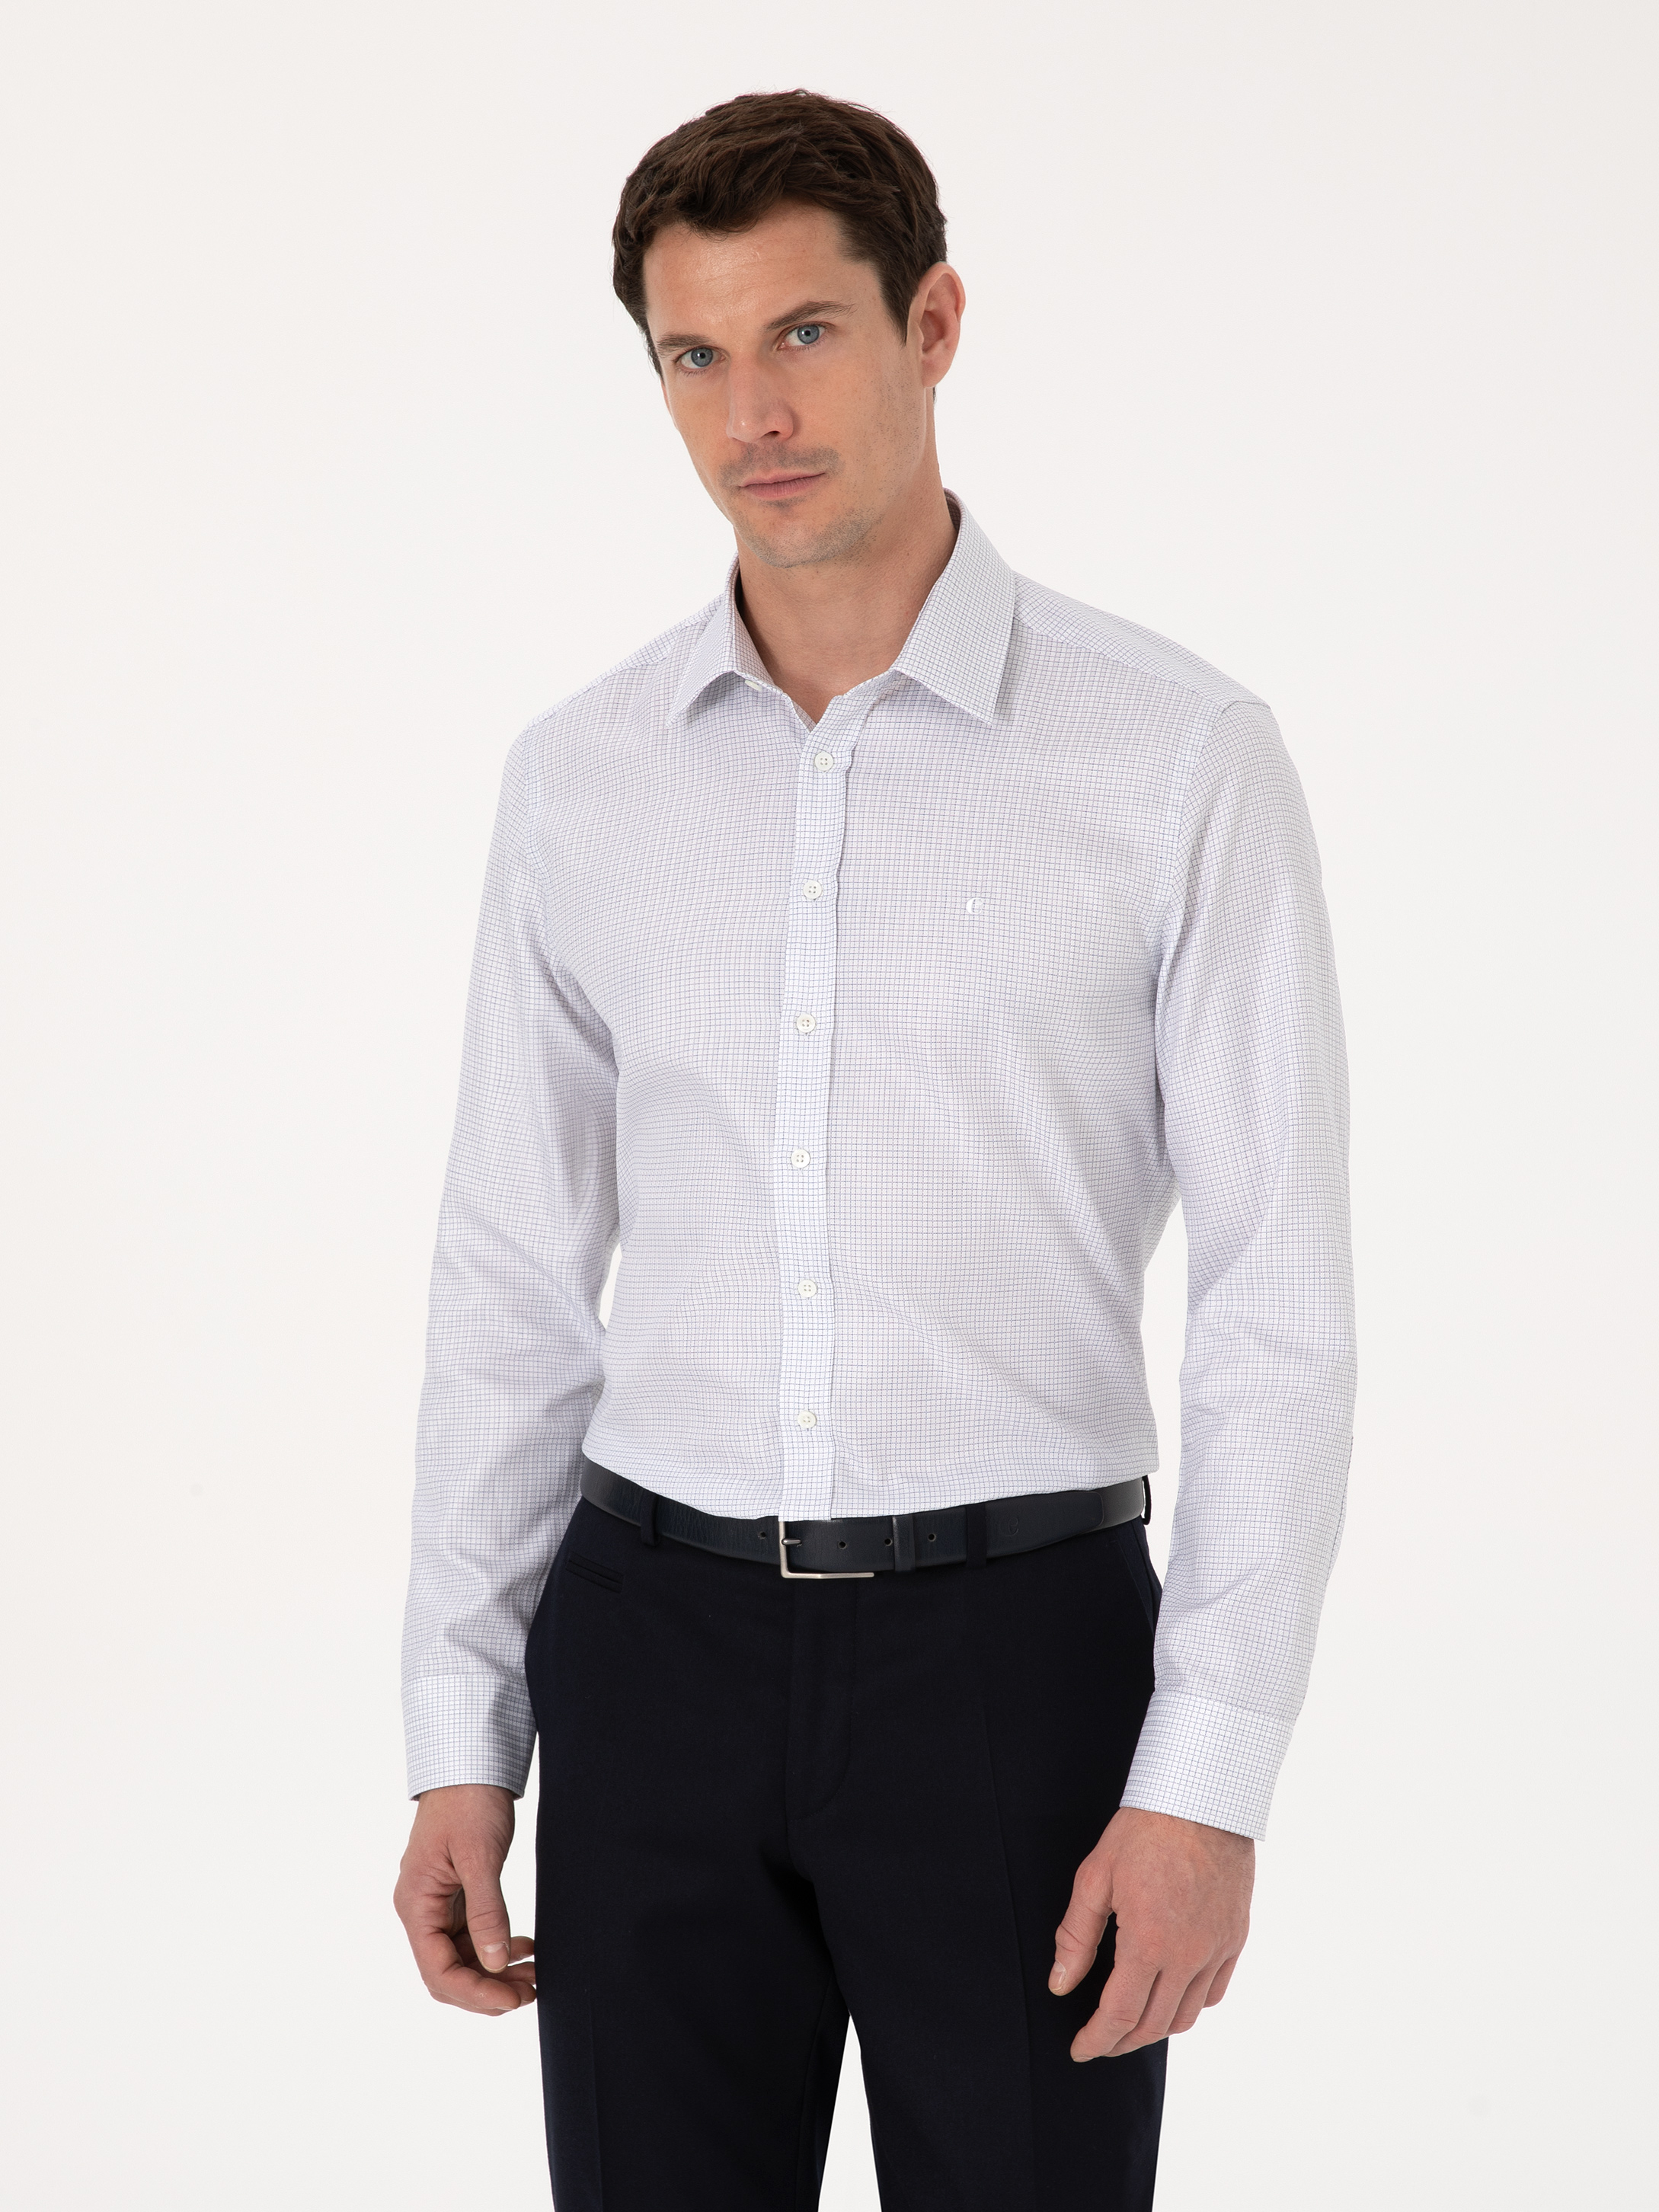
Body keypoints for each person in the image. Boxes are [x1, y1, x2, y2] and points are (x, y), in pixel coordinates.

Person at [392, 88, 1355, 2212]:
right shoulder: (581, 780)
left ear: (932, 324)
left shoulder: (1175, 758)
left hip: (1016, 1667)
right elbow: (512, 1279)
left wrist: (1206, 1778)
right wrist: (464, 1735)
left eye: (806, 334)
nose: (754, 411)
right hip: (647, 1653)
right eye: (695, 354)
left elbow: (1275, 1305)